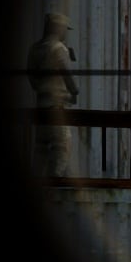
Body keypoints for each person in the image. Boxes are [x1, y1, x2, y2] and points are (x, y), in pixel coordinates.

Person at [27, 12, 80, 177]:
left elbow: (31, 76)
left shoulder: (35, 48)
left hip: (41, 106)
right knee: (62, 147)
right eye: (64, 29)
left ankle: (35, 182)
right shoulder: (58, 48)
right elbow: (67, 74)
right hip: (57, 107)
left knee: (41, 148)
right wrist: (74, 91)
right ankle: (54, 183)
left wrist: (41, 88)